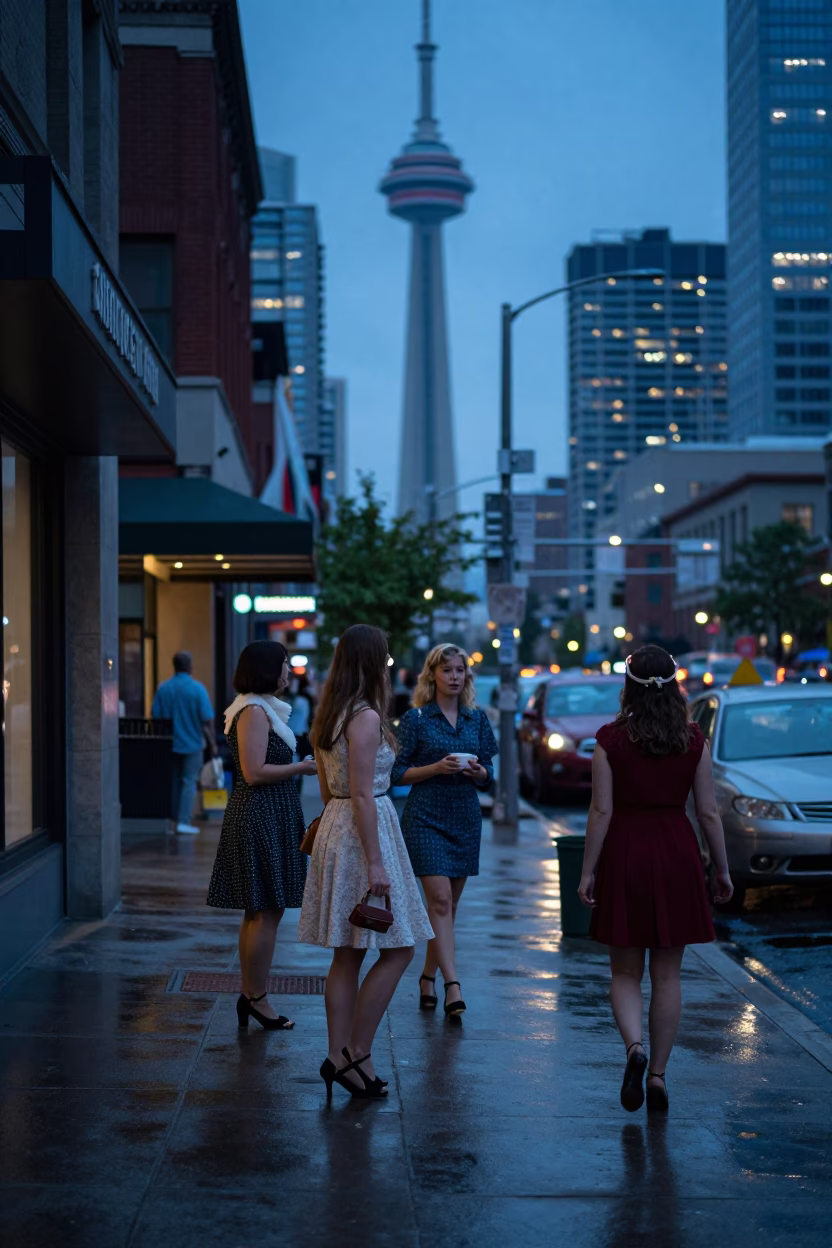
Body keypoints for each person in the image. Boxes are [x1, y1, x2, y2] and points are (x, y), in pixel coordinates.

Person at [577, 644, 733, 1113]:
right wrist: (720, 868)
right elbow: (707, 811)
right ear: (675, 685)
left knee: (625, 970)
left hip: (626, 850)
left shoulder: (609, 740)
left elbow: (601, 810)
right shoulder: (693, 739)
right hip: (676, 851)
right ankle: (660, 1078)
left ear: (628, 686)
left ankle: (634, 1049)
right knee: (668, 975)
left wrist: (588, 871)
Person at [298, 624, 432, 1099]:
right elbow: (362, 791)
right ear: (372, 661)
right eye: (386, 655)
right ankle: (357, 1051)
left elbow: (328, 785)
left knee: (348, 952)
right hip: (363, 830)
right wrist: (376, 862)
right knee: (399, 949)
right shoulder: (366, 716)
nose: (390, 661)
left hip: (339, 822)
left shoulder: (329, 712)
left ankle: (341, 1057)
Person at [207, 641, 317, 1031]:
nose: (289, 672)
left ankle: (251, 994)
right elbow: (254, 772)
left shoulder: (258, 707)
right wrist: (301, 768)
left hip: (269, 813)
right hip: (261, 814)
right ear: (268, 668)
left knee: (259, 911)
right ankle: (256, 997)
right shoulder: (253, 711)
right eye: (285, 665)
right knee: (265, 911)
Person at [391, 643, 498, 1019]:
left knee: (448, 909)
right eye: (447, 670)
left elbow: (489, 775)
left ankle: (427, 977)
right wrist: (435, 768)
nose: (454, 676)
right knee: (438, 903)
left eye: (460, 670)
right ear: (432, 675)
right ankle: (454, 985)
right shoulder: (417, 719)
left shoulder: (476, 720)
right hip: (425, 817)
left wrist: (480, 773)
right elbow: (395, 773)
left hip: (465, 818)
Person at [152, 651, 217, 835]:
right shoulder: (197, 689)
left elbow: (156, 716)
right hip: (192, 743)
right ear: (190, 666)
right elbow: (207, 719)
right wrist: (212, 743)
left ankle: (169, 821)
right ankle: (183, 821)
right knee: (189, 781)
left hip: (168, 744)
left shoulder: (163, 688)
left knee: (171, 781)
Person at [287, 671, 314, 789]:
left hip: (296, 735)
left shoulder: (300, 700)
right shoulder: (305, 699)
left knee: (296, 766)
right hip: (297, 735)